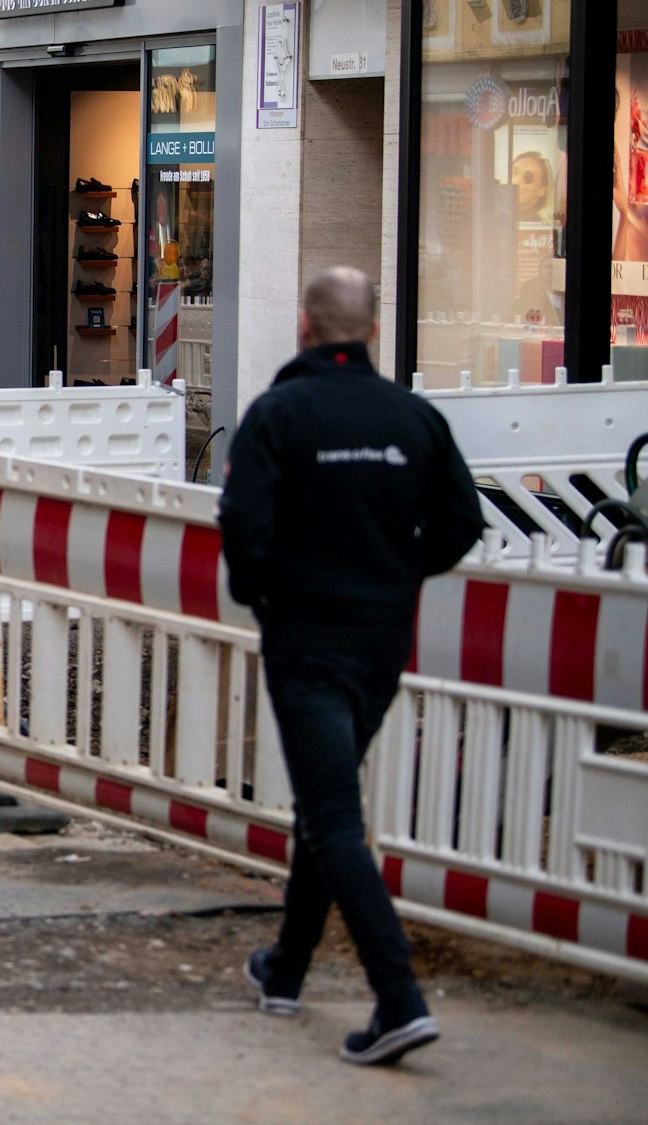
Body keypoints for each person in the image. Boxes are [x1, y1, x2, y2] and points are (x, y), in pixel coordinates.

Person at [218, 267, 485, 1068]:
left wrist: (266, 594)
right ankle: (285, 969)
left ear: (305, 326)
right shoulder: (413, 417)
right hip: (380, 643)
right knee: (326, 801)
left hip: (306, 640)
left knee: (331, 813)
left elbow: (244, 525)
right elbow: (462, 521)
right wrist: (397, 573)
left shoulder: (278, 414)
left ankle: (398, 996)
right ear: (372, 330)